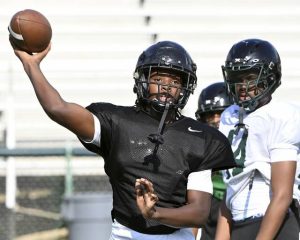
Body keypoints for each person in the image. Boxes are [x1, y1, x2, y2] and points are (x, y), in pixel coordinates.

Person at [10, 39, 236, 239]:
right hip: (125, 234)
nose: (167, 87)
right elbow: (57, 108)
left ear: (185, 87)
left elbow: (199, 213)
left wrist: (155, 213)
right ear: (143, 80)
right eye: (159, 78)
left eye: (175, 81)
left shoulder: (201, 138)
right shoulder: (115, 121)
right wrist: (31, 65)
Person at [215, 38, 300, 240]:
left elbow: (282, 196)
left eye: (250, 77)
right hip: (238, 222)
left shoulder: (282, 114)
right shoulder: (229, 116)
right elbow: (231, 186)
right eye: (237, 77)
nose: (243, 86)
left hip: (274, 223)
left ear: (270, 77)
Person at [192, 82, 233, 239]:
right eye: (210, 115)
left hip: (238, 202)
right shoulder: (199, 144)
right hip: (212, 202)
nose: (215, 120)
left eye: (220, 114)